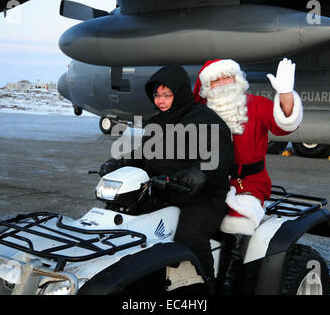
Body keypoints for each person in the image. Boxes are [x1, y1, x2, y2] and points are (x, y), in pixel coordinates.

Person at [100, 65, 235, 288]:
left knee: (189, 239)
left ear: (180, 93)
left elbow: (222, 156)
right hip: (163, 192)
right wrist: (119, 162)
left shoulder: (206, 120)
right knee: (131, 229)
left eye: (167, 95)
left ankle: (207, 285)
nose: (160, 100)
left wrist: (202, 173)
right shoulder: (156, 122)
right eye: (157, 95)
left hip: (202, 197)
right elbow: (143, 153)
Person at [192, 58, 303, 236]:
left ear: (237, 78)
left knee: (237, 223)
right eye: (215, 80)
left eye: (227, 77)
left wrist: (285, 94)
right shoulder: (199, 112)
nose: (222, 84)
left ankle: (239, 262)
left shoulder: (256, 104)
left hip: (250, 184)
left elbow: (284, 124)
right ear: (206, 87)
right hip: (210, 181)